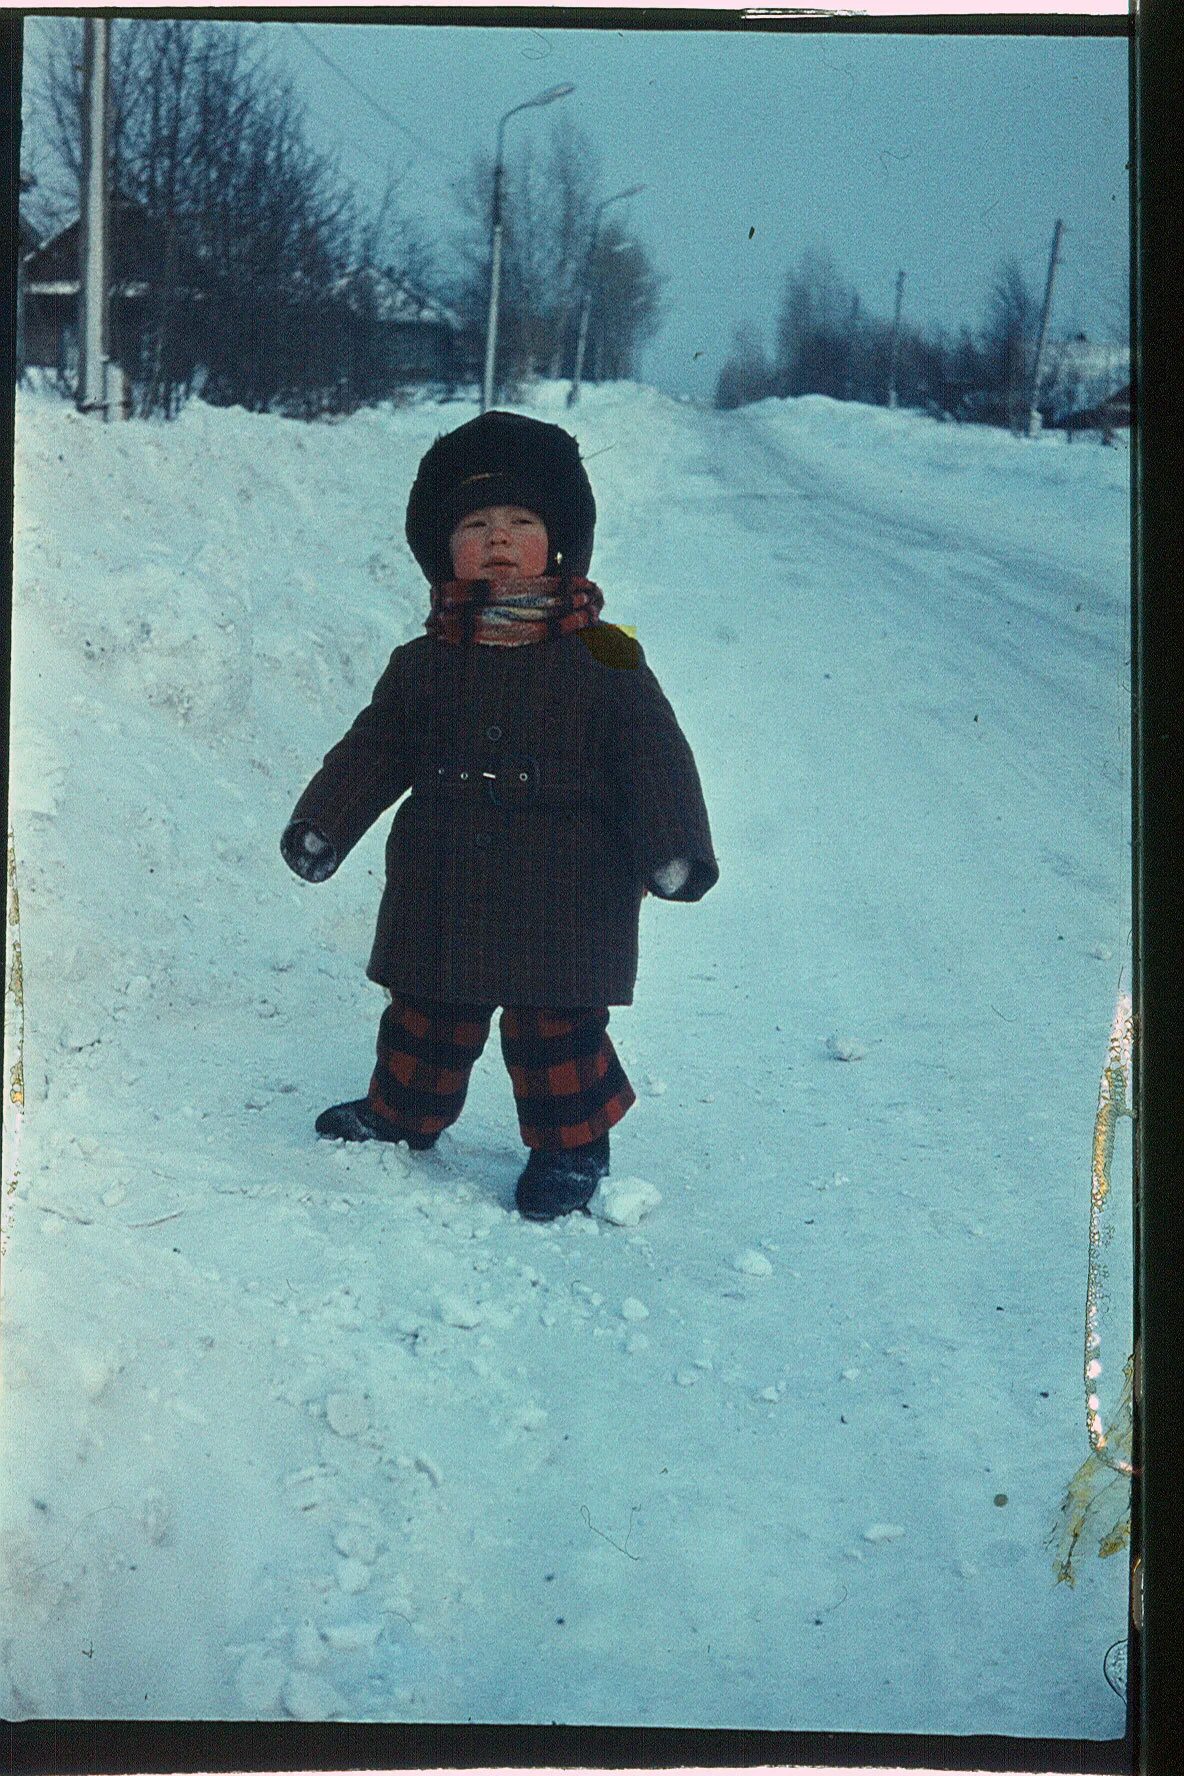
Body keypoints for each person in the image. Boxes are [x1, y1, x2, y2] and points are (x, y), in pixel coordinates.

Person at [281, 410, 718, 1220]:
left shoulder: (606, 650)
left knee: (554, 1025)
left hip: (569, 881)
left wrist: (675, 847)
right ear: (442, 549)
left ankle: (573, 1145)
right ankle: (402, 1112)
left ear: (558, 543)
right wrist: (326, 822)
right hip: (444, 870)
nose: (499, 538)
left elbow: (654, 752)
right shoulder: (423, 660)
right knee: (426, 1007)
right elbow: (374, 749)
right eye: (475, 524)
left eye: (521, 521)